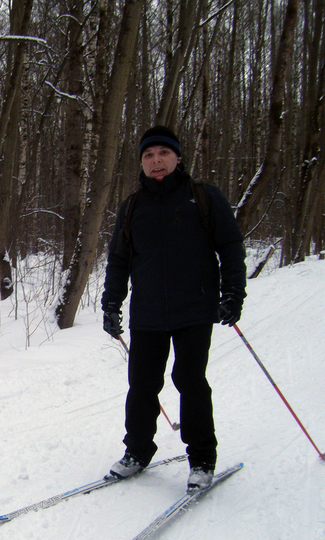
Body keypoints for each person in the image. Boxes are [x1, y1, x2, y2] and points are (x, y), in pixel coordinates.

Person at [101, 125, 246, 493]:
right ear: (142, 164)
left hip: (195, 308)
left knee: (190, 380)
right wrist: (111, 303)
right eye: (148, 156)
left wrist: (233, 294)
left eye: (163, 153)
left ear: (177, 157)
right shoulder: (133, 206)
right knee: (143, 384)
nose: (156, 161)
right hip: (148, 311)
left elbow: (230, 248)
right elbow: (119, 260)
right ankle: (137, 452)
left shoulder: (203, 197)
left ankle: (201, 459)